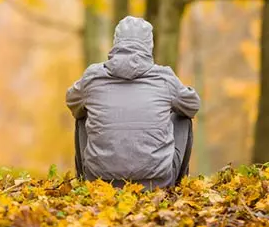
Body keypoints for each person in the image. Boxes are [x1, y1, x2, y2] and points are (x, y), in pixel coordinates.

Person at [66, 16, 201, 190]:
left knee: (81, 113)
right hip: (157, 183)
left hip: (99, 182)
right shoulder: (164, 78)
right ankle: (176, 186)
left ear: (116, 43)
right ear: (149, 45)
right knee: (182, 116)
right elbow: (193, 106)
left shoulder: (93, 77)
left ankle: (84, 182)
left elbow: (71, 100)